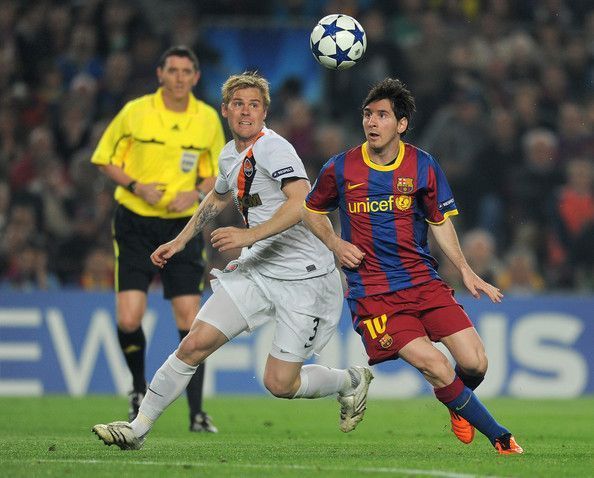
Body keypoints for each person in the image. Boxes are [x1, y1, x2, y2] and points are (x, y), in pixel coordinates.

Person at [92, 71, 374, 450]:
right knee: (193, 344)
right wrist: (179, 241)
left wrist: (248, 235)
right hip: (259, 270)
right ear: (225, 110)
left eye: (254, 105)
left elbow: (302, 203)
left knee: (280, 384)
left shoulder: (274, 149)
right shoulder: (229, 154)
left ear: (264, 112)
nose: (246, 112)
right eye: (238, 104)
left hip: (305, 279)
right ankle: (137, 428)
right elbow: (217, 198)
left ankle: (351, 381)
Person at [303, 78, 524, 455]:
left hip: (422, 281)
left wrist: (467, 271)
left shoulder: (423, 164)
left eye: (383, 115)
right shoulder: (341, 168)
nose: (372, 122)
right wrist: (336, 243)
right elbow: (311, 210)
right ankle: (500, 437)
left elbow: (440, 222)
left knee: (475, 362)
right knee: (436, 365)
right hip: (373, 292)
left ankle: (460, 404)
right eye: (368, 115)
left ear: (401, 124)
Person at [90, 45, 225, 433]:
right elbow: (103, 157)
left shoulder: (206, 120)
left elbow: (218, 174)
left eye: (187, 71)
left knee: (190, 320)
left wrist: (197, 192)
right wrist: (136, 185)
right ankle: (137, 390)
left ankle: (197, 413)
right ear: (160, 74)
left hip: (182, 227)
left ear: (196, 78)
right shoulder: (136, 112)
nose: (180, 77)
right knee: (129, 317)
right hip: (134, 222)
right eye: (173, 70)